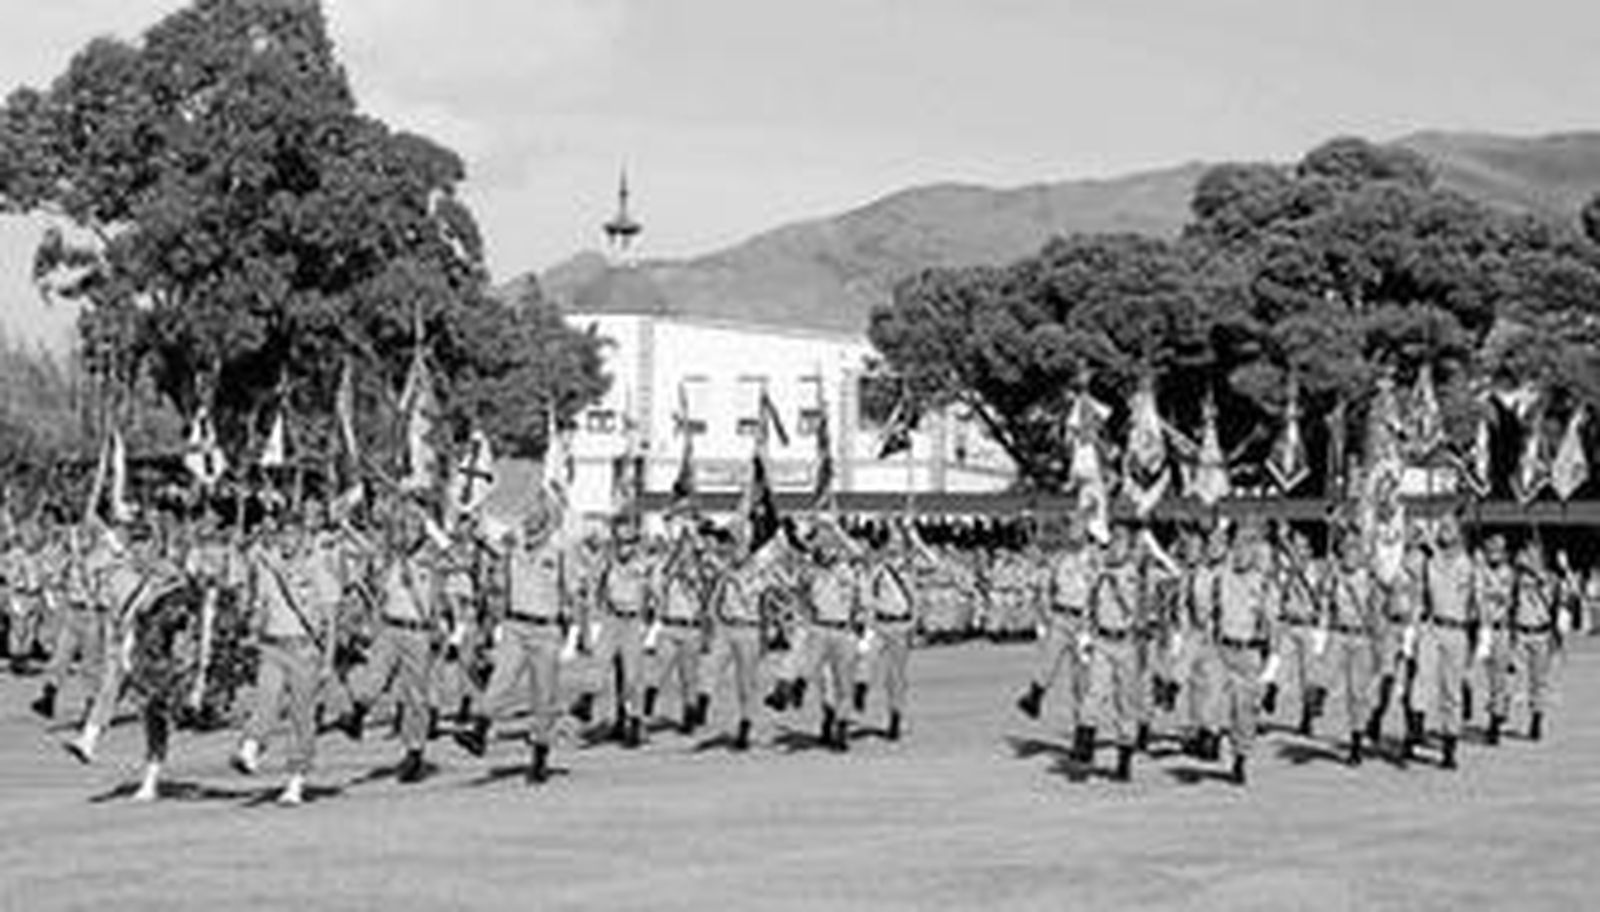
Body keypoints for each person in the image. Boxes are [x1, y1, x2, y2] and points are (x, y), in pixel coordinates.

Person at [453, 494, 575, 785]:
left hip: (546, 630)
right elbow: (484, 541)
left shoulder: (559, 552)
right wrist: (473, 514)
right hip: (516, 627)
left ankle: (540, 755)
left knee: (543, 697)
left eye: (535, 517)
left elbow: (571, 592)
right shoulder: (512, 548)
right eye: (527, 517)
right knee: (500, 680)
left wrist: (568, 628)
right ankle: (479, 731)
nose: (529, 522)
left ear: (545, 521)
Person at [231, 514, 345, 806]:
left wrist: (329, 661)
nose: (287, 540)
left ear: (304, 538)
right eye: (283, 534)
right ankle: (251, 747)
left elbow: (332, 620)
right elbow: (262, 604)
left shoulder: (318, 568)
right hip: (273, 646)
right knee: (265, 699)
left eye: (293, 534)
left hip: (305, 649)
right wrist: (254, 625)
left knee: (301, 715)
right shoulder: (269, 567)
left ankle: (296, 779)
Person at [340, 503, 443, 783]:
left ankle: (414, 752)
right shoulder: (391, 559)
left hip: (417, 631)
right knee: (374, 676)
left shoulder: (430, 559)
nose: (406, 534)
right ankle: (358, 714)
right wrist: (347, 527)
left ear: (421, 532)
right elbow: (368, 552)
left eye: (412, 529)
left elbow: (438, 592)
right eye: (403, 529)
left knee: (415, 696)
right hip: (390, 627)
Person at [1015, 519, 1096, 750]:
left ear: (1086, 534)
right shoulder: (1060, 558)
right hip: (1061, 617)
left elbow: (1101, 589)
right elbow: (1046, 582)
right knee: (1048, 660)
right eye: (1070, 530)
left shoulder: (1095, 558)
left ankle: (1083, 734)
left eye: (1077, 530)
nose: (1072, 534)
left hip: (1083, 623)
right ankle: (1035, 697)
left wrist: (1092, 623)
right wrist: (1046, 613)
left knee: (1081, 684)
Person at [1212, 523, 1275, 785]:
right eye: (1236, 548)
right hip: (1222, 649)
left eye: (1245, 549)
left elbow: (1272, 623)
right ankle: (1212, 736)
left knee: (1243, 711)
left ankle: (1240, 756)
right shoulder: (1222, 576)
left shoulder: (1262, 583)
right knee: (1212, 698)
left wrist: (1271, 668)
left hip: (1248, 652)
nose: (1239, 554)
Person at [698, 531, 771, 750]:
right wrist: (710, 625)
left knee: (745, 683)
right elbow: (713, 600)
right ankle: (702, 703)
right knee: (709, 667)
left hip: (749, 629)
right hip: (726, 627)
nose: (735, 553)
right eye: (734, 548)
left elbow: (764, 605)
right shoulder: (724, 572)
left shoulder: (760, 574)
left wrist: (765, 636)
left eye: (740, 549)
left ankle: (745, 725)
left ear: (748, 552)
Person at [797, 517, 862, 751]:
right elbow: (802, 595)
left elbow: (857, 552)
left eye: (831, 546)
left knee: (844, 684)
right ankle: (828, 716)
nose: (827, 550)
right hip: (820, 629)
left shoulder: (848, 568)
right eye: (822, 547)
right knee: (824, 683)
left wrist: (835, 527)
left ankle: (841, 728)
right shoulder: (811, 571)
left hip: (844, 630)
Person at [1086, 524, 1145, 781]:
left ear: (1128, 548)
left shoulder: (1132, 574)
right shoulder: (1100, 573)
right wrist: (1086, 634)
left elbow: (1134, 608)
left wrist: (1115, 579)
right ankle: (1085, 738)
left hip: (1126, 644)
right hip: (1102, 640)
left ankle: (1124, 755)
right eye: (1113, 542)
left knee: (1126, 702)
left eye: (1120, 542)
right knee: (1095, 691)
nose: (1114, 547)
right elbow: (1090, 603)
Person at [1415, 516, 1474, 768]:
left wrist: (1480, 638)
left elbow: (1474, 599)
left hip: (1456, 630)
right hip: (1433, 627)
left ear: (1459, 534)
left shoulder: (1466, 564)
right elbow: (1421, 591)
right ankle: (1416, 724)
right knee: (1422, 677)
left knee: (1451, 691)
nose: (1442, 530)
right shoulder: (1428, 561)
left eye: (1448, 527)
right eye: (1441, 527)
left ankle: (1449, 748)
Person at [643, 520, 710, 734]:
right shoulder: (667, 572)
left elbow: (707, 596)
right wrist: (671, 568)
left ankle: (689, 716)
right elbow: (655, 586)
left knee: (689, 677)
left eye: (689, 552)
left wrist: (693, 579)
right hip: (670, 626)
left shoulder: (702, 574)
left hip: (691, 628)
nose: (685, 556)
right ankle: (648, 701)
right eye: (682, 551)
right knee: (658, 671)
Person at [1321, 531, 1381, 765]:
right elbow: (1325, 601)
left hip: (1361, 637)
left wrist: (1377, 641)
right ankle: (1316, 702)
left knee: (1357, 694)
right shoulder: (1334, 575)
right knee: (1323, 674)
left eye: (1354, 548)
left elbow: (1375, 610)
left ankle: (1356, 742)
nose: (1350, 553)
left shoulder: (1368, 578)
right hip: (1339, 633)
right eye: (1346, 548)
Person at [856, 520, 918, 741]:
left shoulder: (908, 569)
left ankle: (895, 717)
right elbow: (866, 595)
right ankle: (860, 688)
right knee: (864, 657)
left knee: (895, 677)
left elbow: (927, 559)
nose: (894, 550)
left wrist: (910, 533)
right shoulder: (876, 568)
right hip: (879, 624)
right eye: (890, 546)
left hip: (900, 626)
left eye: (898, 546)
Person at [33, 526, 100, 721]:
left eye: (84, 538)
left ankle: (91, 705)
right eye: (78, 539)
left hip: (92, 615)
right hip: (72, 611)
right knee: (61, 655)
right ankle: (49, 696)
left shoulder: (101, 561)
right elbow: (56, 576)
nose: (80, 543)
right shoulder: (71, 560)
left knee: (90, 664)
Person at [1270, 527, 1327, 736]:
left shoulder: (1315, 569)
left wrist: (1297, 567)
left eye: (1302, 546)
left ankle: (1307, 716)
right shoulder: (1285, 568)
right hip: (1288, 623)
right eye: (1295, 545)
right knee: (1279, 665)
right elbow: (1281, 590)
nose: (1298, 549)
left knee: (1308, 674)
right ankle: (1271, 694)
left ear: (1309, 549)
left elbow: (1315, 589)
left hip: (1307, 625)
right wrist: (1289, 571)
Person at [1511, 541, 1560, 741]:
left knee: (1539, 681)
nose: (1528, 557)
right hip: (1521, 632)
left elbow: (1551, 596)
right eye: (1527, 553)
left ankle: (1536, 718)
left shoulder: (1549, 578)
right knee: (1514, 678)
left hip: (1541, 633)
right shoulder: (1517, 578)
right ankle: (1499, 713)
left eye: (1533, 554)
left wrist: (1536, 574)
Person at [1473, 534, 1516, 745]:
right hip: (1482, 628)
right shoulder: (1480, 571)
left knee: (1498, 677)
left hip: (1500, 629)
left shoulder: (1508, 572)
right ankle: (1494, 708)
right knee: (1482, 676)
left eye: (1497, 551)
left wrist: (1489, 590)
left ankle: (1494, 722)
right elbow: (1477, 595)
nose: (1494, 555)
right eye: (1490, 551)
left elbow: (1505, 597)